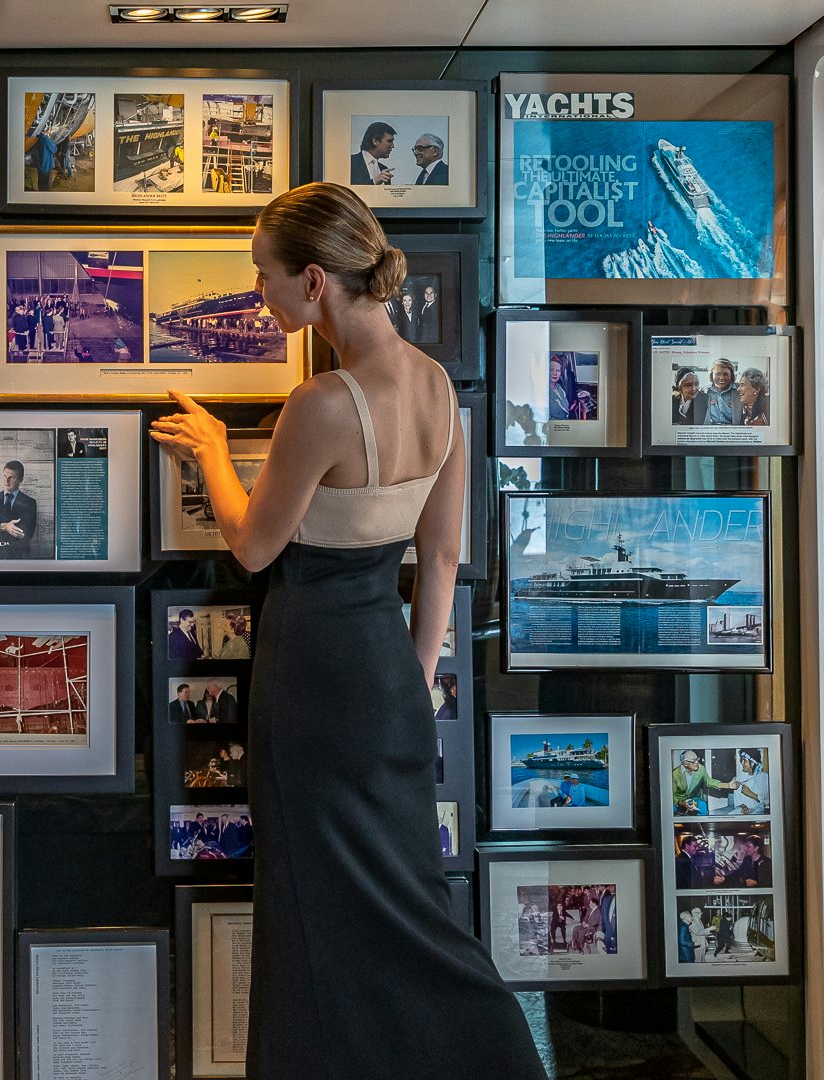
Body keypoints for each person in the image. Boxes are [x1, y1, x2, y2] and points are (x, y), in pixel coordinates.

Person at [150, 182, 543, 1078]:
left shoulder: (325, 401)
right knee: (409, 908)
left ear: (315, 281)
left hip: (311, 676)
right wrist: (413, 679)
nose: (259, 293)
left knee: (310, 913)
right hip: (388, 675)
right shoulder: (438, 386)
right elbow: (441, 559)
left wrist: (212, 451)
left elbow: (253, 546)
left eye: (264, 274)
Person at [0, 460, 39, 559]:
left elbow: (26, 534)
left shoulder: (29, 503)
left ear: (20, 480)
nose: (6, 481)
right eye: (5, 476)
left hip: (15, 555)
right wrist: (4, 527)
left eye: (11, 478)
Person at [673, 749, 736, 814]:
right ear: (685, 763)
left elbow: (709, 782)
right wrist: (681, 803)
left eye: (697, 759)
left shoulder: (700, 768)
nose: (697, 762)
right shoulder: (674, 774)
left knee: (702, 805)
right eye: (693, 761)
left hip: (694, 798)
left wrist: (728, 785)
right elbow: (672, 795)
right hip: (678, 800)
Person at [703, 358, 741, 424]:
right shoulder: (703, 392)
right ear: (712, 375)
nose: (722, 378)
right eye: (718, 374)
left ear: (731, 375)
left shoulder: (739, 390)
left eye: (726, 374)